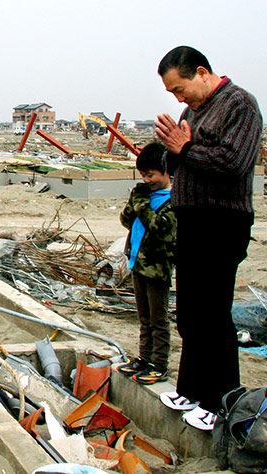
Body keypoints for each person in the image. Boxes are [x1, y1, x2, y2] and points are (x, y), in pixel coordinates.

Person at [153, 46, 263, 431]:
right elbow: (176, 162)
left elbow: (233, 164)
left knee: (214, 313)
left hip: (223, 222)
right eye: (172, 94)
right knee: (190, 311)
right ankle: (192, 388)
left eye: (180, 89)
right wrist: (173, 150)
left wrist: (184, 147)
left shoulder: (240, 105)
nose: (178, 99)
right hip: (192, 219)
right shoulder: (191, 112)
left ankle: (221, 400)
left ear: (202, 73)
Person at [117, 142, 177, 385]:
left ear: (165, 172)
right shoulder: (146, 197)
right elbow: (125, 220)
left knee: (158, 319)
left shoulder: (172, 202)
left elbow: (159, 229)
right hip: (138, 265)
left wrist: (142, 204)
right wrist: (134, 203)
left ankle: (159, 363)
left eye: (151, 175)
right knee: (144, 317)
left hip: (157, 269)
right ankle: (144, 357)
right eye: (144, 176)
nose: (148, 180)